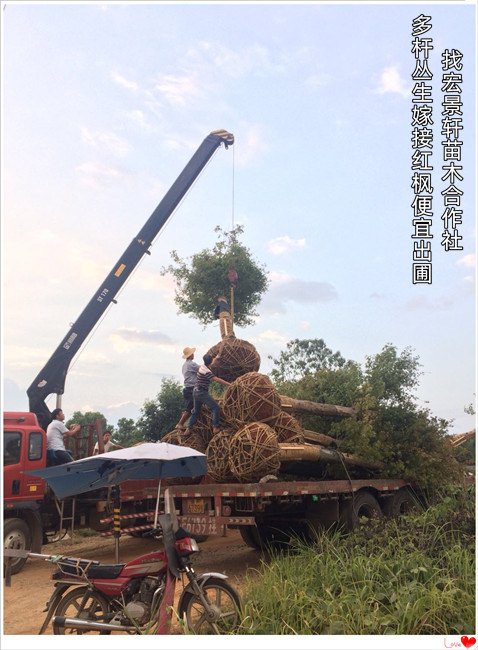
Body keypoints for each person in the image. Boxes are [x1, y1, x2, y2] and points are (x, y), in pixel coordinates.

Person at [185, 353, 230, 434]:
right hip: (201, 392)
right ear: (211, 361)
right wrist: (229, 384)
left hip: (195, 391)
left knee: (196, 411)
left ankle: (188, 429)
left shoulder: (202, 367)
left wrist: (217, 357)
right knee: (216, 407)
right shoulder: (207, 371)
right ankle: (215, 427)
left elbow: (212, 364)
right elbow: (216, 379)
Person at [175, 346, 200, 429]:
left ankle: (187, 423)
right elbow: (202, 369)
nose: (193, 355)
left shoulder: (184, 365)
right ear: (190, 355)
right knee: (190, 408)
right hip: (191, 389)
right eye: (192, 353)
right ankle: (180, 424)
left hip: (187, 389)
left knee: (192, 407)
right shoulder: (191, 364)